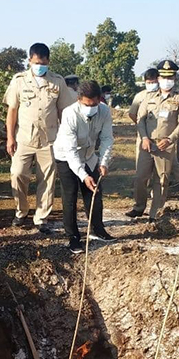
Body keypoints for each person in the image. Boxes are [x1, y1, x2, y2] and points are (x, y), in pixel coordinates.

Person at [3, 42, 75, 234]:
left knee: (47, 180)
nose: (39, 66)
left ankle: (41, 217)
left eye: (43, 63)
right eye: (36, 63)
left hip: (49, 139)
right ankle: (21, 211)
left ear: (48, 62)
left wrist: (65, 138)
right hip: (24, 138)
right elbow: (12, 111)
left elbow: (64, 112)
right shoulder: (19, 81)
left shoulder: (57, 82)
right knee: (18, 174)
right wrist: (10, 138)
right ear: (29, 61)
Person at [53, 80, 114, 254]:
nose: (91, 108)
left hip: (89, 156)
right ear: (79, 99)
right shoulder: (69, 114)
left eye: (94, 104)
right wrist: (83, 175)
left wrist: (103, 162)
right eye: (87, 105)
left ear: (99, 99)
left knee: (94, 192)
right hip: (66, 157)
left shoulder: (104, 111)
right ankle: (73, 237)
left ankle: (97, 229)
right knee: (70, 195)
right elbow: (70, 150)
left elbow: (107, 138)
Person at [128, 60, 179, 221]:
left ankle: (155, 214)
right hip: (147, 144)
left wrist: (170, 139)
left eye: (170, 78)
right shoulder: (148, 97)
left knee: (161, 180)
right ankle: (139, 207)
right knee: (140, 178)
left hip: (165, 145)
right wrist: (144, 137)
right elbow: (140, 119)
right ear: (159, 78)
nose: (166, 81)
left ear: (175, 79)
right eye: (163, 77)